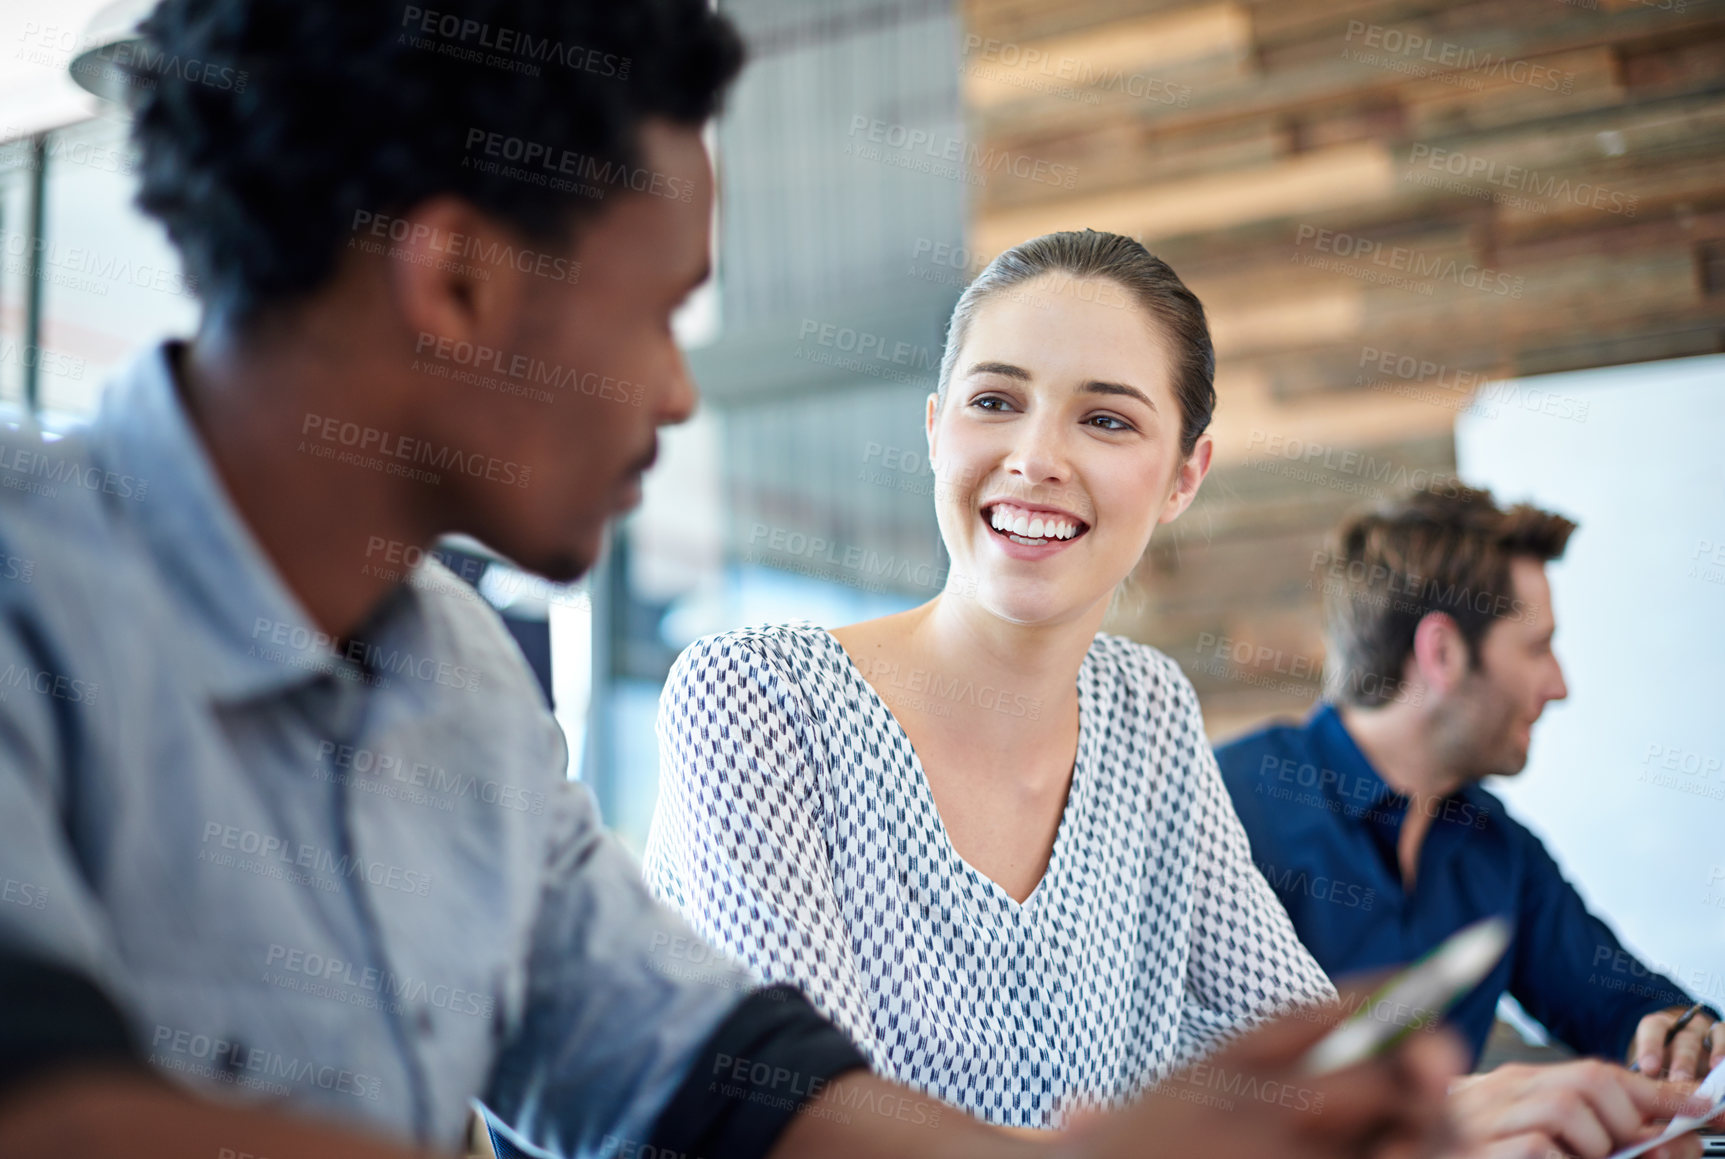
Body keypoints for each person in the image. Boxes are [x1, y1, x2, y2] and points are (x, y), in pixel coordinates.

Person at [0, 4, 1467, 1159]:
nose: (683, 394)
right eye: (659, 312)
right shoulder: (29, 595)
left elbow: (703, 1067)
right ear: (454, 286)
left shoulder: (457, 688)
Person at [643, 232, 1708, 1157]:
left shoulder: (1146, 710)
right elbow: (796, 1127)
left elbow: (1307, 1043)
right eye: (995, 401)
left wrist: (1499, 1112)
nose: (1034, 456)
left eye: (1106, 421)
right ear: (935, 428)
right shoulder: (755, 695)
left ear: (1185, 475)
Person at [1215, 488, 1721, 1084]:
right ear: (1444, 652)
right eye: (1538, 648)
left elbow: (1622, 1004)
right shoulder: (1224, 809)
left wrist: (1675, 1034)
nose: (1559, 686)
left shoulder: (1500, 851)